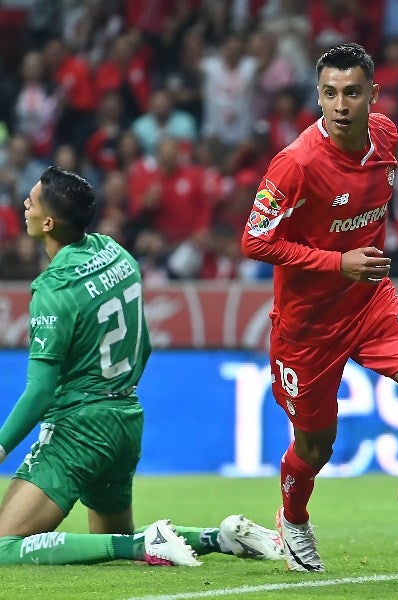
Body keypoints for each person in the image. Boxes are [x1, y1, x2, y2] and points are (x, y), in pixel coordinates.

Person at [241, 43, 398, 573]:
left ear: (372, 95)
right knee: (316, 445)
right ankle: (294, 518)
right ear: (317, 96)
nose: (339, 104)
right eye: (328, 93)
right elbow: (255, 241)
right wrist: (335, 262)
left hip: (370, 304)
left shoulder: (386, 136)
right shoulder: (295, 163)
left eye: (350, 92)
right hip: (307, 325)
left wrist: (351, 272)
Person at [0, 166, 284, 566]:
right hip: (125, 419)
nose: (24, 204)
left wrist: (2, 444)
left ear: (47, 222)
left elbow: (40, 389)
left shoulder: (53, 289)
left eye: (31, 200)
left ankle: (144, 544)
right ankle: (220, 537)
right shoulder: (115, 254)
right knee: (115, 540)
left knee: (4, 546)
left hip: (78, 428)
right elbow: (144, 344)